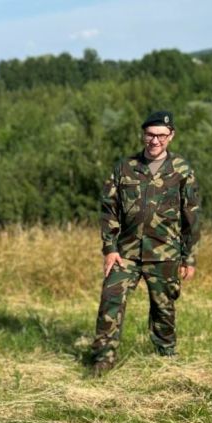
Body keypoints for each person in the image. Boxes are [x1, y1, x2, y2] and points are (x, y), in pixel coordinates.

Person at [87, 111, 200, 375]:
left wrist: (189, 257)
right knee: (110, 299)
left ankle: (166, 354)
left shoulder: (181, 170)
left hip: (165, 252)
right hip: (124, 253)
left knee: (164, 307)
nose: (155, 140)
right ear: (143, 135)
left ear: (171, 136)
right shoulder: (124, 167)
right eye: (150, 134)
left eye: (161, 135)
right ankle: (102, 359)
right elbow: (109, 210)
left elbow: (191, 216)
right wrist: (110, 248)